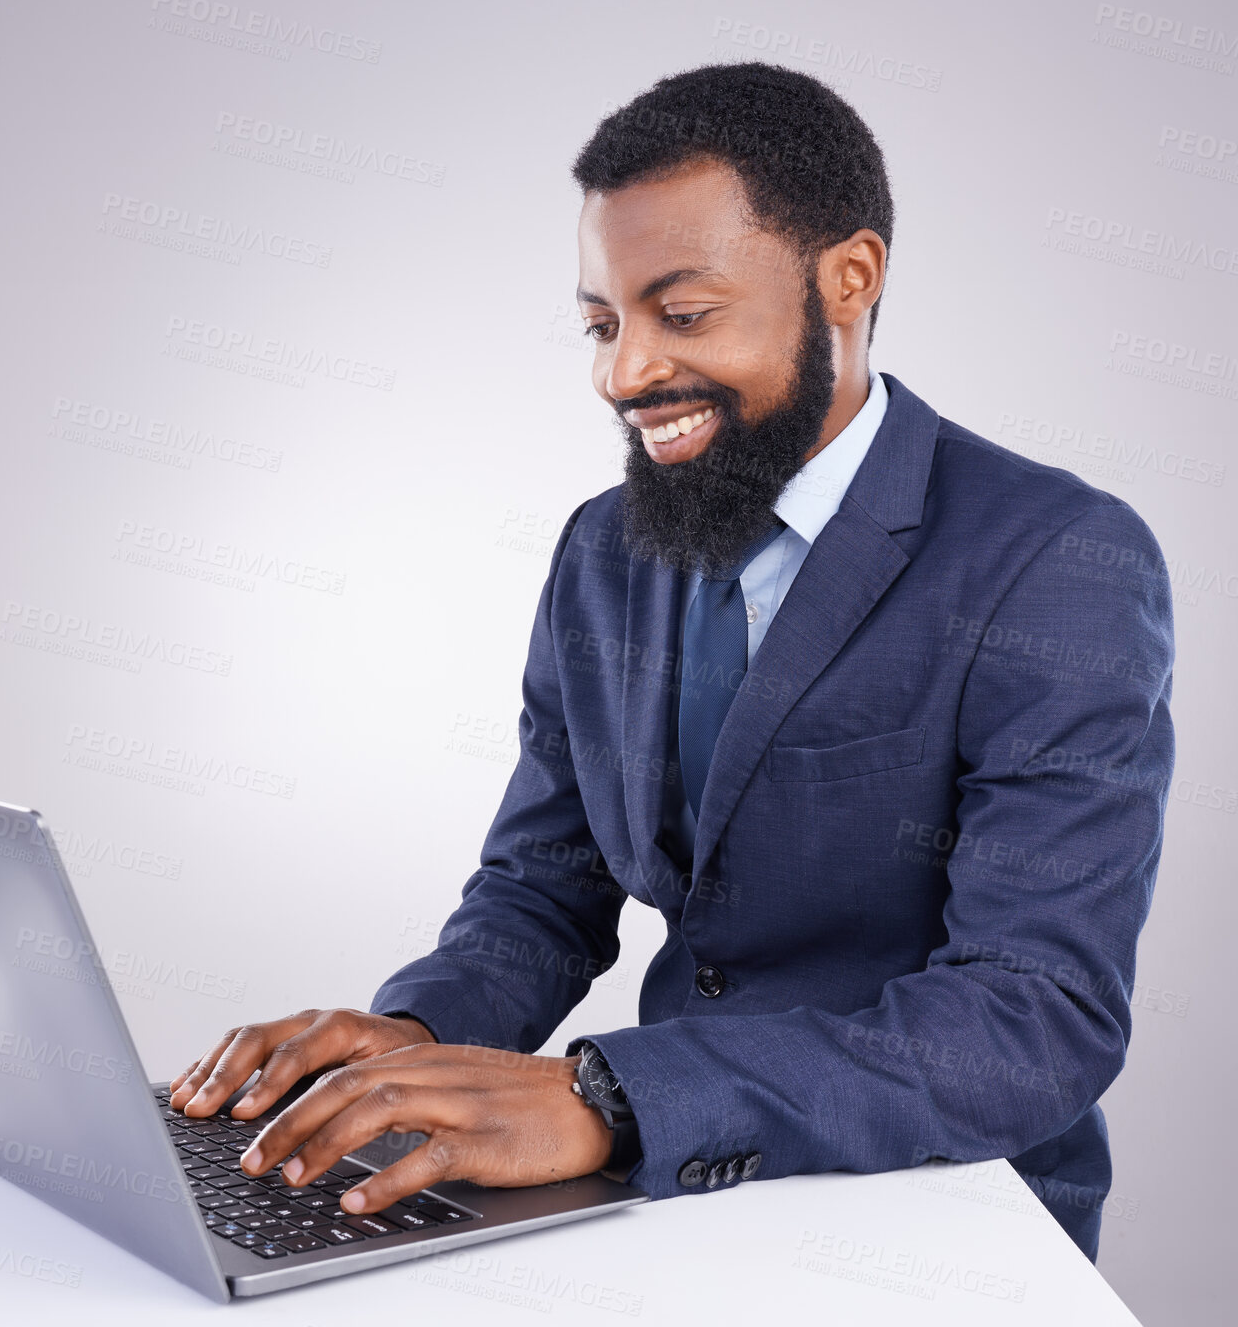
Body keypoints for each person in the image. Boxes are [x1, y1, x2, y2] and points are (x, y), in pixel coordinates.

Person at [170, 61, 1175, 1263]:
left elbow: (1029, 1021)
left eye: (682, 316)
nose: (622, 374)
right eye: (602, 323)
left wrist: (610, 1097)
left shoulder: (1056, 557)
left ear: (849, 278)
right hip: (680, 1198)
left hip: (944, 1217)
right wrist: (416, 1035)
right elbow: (546, 885)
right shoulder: (608, 546)